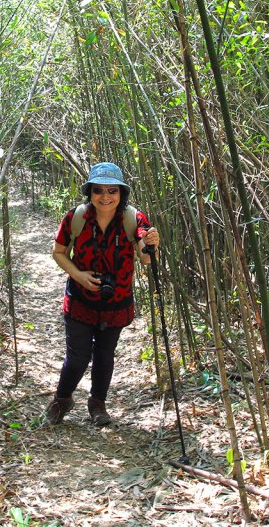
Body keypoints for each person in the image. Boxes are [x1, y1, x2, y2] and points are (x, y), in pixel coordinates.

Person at [45, 162, 160, 426]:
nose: (105, 196)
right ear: (90, 192)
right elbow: (58, 252)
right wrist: (79, 275)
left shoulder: (134, 219)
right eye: (98, 190)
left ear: (121, 193)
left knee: (105, 356)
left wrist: (152, 244)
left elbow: (146, 259)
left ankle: (97, 404)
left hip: (116, 301)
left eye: (112, 190)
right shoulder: (75, 217)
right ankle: (61, 400)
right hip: (80, 299)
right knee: (78, 356)